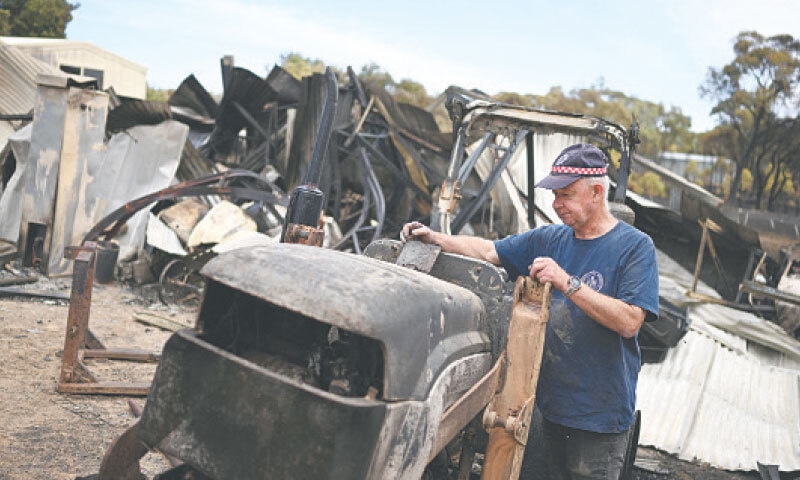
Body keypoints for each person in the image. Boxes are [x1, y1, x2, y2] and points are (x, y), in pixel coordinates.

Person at [401, 143, 659, 480]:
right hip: (542, 410)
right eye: (554, 195)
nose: (556, 204)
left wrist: (568, 283)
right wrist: (436, 238)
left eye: (565, 194)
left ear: (596, 192)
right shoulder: (552, 238)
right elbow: (491, 251)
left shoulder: (635, 247)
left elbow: (629, 321)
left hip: (598, 417)